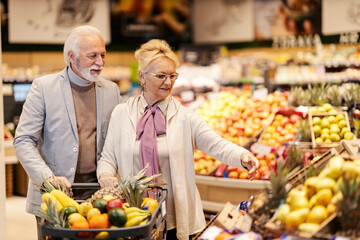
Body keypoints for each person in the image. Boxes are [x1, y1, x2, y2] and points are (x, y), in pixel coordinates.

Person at [97, 39, 259, 239]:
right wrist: (105, 176)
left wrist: (243, 156)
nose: (169, 82)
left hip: (176, 216)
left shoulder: (185, 117)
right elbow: (107, 158)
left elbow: (216, 144)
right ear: (142, 76)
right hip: (134, 215)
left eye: (173, 75)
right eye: (161, 76)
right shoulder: (121, 114)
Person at [13, 25, 121, 239]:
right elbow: (23, 140)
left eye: (103, 55)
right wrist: (48, 178)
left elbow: (113, 141)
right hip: (54, 196)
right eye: (92, 56)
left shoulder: (111, 90)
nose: (100, 62)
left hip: (98, 194)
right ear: (72, 56)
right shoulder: (44, 87)